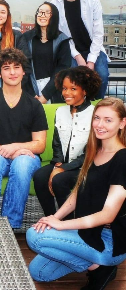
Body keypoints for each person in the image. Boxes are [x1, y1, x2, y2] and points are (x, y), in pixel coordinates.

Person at [27, 98, 126, 290]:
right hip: (86, 233)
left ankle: (101, 266)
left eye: (108, 120)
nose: (100, 125)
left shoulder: (122, 159)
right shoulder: (94, 150)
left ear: (122, 123)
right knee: (39, 272)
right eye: (97, 118)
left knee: (34, 236)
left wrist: (61, 225)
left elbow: (108, 215)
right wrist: (54, 218)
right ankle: (95, 265)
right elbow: (76, 194)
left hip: (109, 240)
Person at [0, 48, 48, 229]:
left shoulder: (35, 105)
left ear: (23, 72)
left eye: (17, 67)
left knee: (22, 164)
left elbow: (40, 144)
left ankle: (10, 226)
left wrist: (15, 148)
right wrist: (7, 152)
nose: (12, 72)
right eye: (6, 68)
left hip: (26, 157)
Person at [33, 66, 101, 218]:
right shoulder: (60, 112)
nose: (66, 93)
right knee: (39, 177)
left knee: (59, 180)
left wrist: (63, 169)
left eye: (73, 88)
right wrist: (58, 164)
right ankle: (51, 218)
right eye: (64, 88)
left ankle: (68, 222)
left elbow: (91, 152)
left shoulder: (95, 114)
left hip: (85, 167)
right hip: (62, 163)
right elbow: (56, 143)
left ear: (85, 90)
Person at [51, 0, 109, 100]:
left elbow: (98, 33)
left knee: (101, 75)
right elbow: (61, 36)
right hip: (71, 51)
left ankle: (96, 105)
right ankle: (76, 107)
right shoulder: (55, 4)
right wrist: (78, 57)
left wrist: (91, 61)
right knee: (71, 81)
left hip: (94, 48)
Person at [24, 2, 71, 103]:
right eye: (40, 12)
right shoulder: (27, 38)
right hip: (31, 90)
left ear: (54, 16)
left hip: (54, 90)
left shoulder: (62, 40)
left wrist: (45, 95)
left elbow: (63, 68)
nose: (42, 15)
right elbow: (23, 65)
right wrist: (31, 93)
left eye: (47, 13)